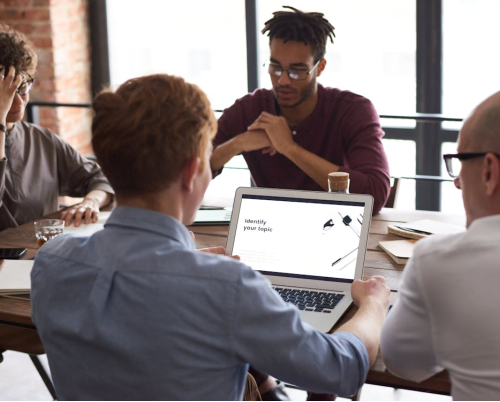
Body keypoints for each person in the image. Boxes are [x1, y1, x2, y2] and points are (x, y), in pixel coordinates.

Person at [31, 74, 390, 401]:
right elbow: (340, 370)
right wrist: (372, 304)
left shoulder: (52, 261)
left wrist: (190, 262)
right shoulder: (227, 288)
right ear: (191, 172)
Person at [211, 7, 391, 214]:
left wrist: (289, 147)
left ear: (320, 67)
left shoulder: (352, 110)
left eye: (297, 71)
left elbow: (375, 195)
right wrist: (238, 143)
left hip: (336, 226)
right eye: (275, 67)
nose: (283, 80)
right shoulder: (249, 109)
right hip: (268, 228)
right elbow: (186, 171)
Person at [381, 91, 500, 400]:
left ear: (490, 171)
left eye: (460, 161)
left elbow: (402, 364)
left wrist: (373, 304)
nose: (457, 182)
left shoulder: (439, 262)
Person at [0, 24, 114, 232]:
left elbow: (100, 179)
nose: (18, 102)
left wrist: (91, 202)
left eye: (22, 87)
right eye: (6, 93)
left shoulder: (41, 140)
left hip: (42, 256)